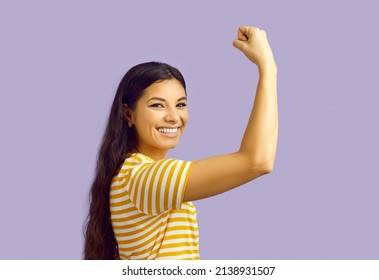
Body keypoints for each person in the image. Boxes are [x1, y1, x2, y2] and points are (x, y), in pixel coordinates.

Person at [84, 26, 278, 260]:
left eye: (181, 104)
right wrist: (267, 69)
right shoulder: (143, 178)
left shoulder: (130, 175)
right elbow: (257, 161)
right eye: (157, 105)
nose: (174, 116)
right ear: (128, 114)